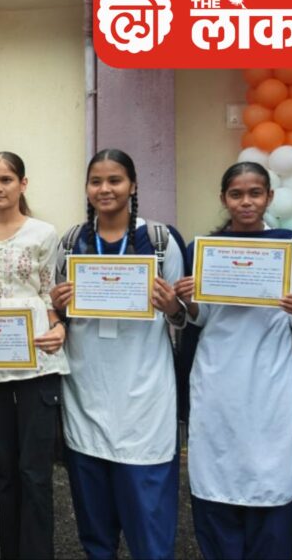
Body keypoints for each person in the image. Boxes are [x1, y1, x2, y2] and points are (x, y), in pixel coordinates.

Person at [51, 148, 187, 560]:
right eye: (96, 181)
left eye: (115, 180)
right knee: (94, 524)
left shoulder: (160, 240)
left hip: (144, 392)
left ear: (133, 185)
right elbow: (58, 316)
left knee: (149, 522)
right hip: (86, 389)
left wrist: (172, 307)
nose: (105, 189)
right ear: (87, 188)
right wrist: (57, 306)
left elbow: (183, 315)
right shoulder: (72, 242)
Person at [173, 162, 292, 559]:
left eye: (255, 193)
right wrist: (190, 302)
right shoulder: (204, 250)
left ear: (270, 197)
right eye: (236, 194)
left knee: (272, 472)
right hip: (217, 374)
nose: (246, 202)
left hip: (272, 374)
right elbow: (201, 319)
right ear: (224, 199)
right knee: (216, 470)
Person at [0, 151, 68, 559]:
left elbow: (48, 290)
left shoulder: (43, 232)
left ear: (23, 184)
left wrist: (59, 327)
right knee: (5, 469)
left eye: (6, 180)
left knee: (34, 471)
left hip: (36, 355)